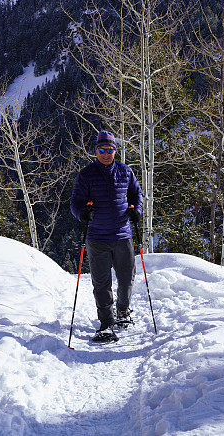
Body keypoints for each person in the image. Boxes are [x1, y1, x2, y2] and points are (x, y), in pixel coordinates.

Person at [70, 130, 143, 342]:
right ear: (96, 151)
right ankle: (106, 324)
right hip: (97, 237)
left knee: (126, 279)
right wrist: (82, 213)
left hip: (123, 235)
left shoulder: (125, 172)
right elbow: (75, 202)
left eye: (109, 150)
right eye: (101, 150)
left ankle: (122, 311)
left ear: (115, 151)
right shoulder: (86, 174)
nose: (105, 154)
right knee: (101, 284)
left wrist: (136, 210)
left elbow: (136, 195)